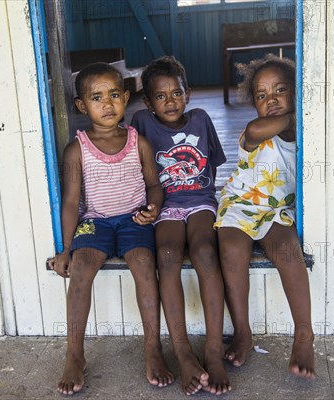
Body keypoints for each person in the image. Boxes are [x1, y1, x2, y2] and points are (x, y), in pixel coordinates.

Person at [48, 62, 174, 395]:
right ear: (81, 105)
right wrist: (65, 249)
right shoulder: (77, 150)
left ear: (126, 98)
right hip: (95, 223)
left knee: (146, 267)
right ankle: (74, 354)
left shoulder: (138, 143)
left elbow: (155, 186)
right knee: (81, 269)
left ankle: (152, 347)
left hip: (133, 220)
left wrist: (153, 208)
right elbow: (71, 202)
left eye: (114, 94)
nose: (107, 104)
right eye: (97, 97)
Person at [131, 56, 231, 395]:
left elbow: (212, 169)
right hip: (166, 205)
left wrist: (201, 195)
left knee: (205, 251)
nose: (170, 101)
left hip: (200, 200)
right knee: (168, 255)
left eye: (177, 93)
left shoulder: (201, 119)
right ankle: (183, 350)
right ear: (148, 102)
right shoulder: (141, 121)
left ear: (187, 94)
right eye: (160, 96)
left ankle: (214, 351)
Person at [214, 54, 315, 379]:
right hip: (241, 203)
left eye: (280, 91)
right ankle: (243, 331)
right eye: (262, 95)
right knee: (231, 249)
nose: (271, 100)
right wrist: (293, 115)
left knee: (287, 251)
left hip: (276, 209)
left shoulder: (307, 136)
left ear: (295, 91)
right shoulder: (255, 131)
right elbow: (259, 127)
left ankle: (304, 334)